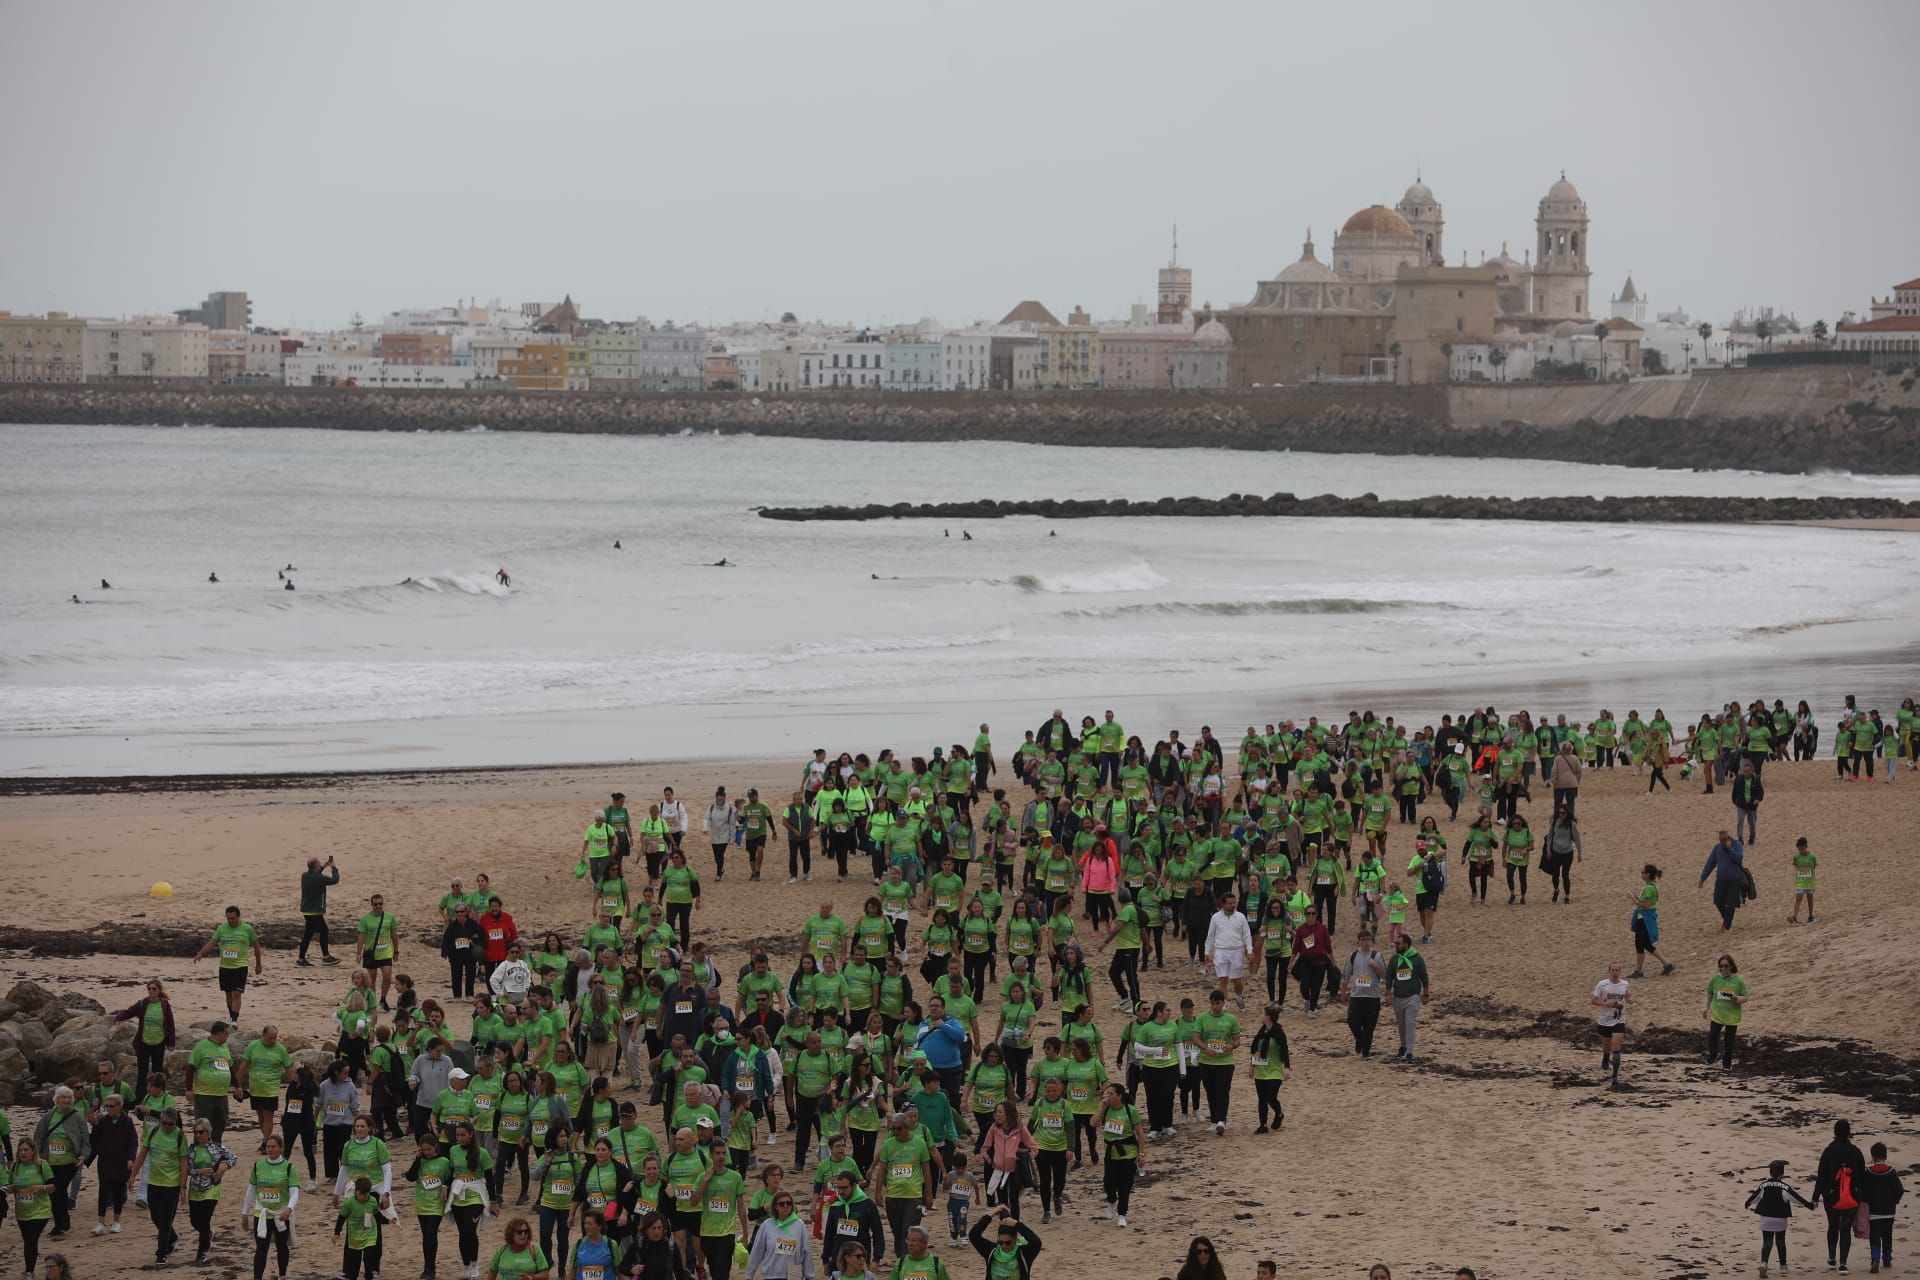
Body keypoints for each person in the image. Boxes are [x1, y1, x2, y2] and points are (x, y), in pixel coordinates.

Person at [241, 1133, 300, 1280]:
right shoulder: (258, 1166)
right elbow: (251, 1190)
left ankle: (282, 1276)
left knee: (282, 1247)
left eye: (273, 1146)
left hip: (281, 1214)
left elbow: (294, 1192)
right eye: (268, 1146)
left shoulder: (288, 1167)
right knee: (261, 1248)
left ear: (281, 1148)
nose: (270, 1149)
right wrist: (244, 1213)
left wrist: (289, 1208)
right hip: (261, 1214)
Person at [34, 1085, 90, 1239]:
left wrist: (84, 1155)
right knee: (56, 1193)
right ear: (57, 1099)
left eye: (68, 1097)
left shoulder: (76, 1116)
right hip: (50, 1161)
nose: (66, 1100)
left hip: (70, 1161)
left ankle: (58, 1226)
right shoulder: (49, 1116)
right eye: (63, 1097)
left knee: (57, 1190)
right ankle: (64, 1220)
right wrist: (37, 1157)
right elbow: (38, 1137)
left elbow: (85, 1137)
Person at [1745, 1158, 1815, 1278]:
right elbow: (1796, 1199)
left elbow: (1753, 1198)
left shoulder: (1764, 1185)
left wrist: (1747, 1204)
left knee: (1767, 1242)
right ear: (1782, 1173)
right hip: (1780, 1219)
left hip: (1766, 1219)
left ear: (1770, 1173)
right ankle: (1783, 1266)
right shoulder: (1784, 1187)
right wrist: (1809, 1205)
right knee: (1780, 1241)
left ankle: (1763, 1263)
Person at [1815, 1119, 1869, 1274]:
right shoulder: (1856, 1151)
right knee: (1845, 1229)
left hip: (1831, 1196)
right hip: (1852, 1196)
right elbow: (1862, 1177)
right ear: (1849, 1133)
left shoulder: (1828, 1151)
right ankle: (1843, 1264)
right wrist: (1864, 1197)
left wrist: (1815, 1197)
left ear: (1834, 1132)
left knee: (1833, 1226)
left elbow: (1821, 1176)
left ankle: (1832, 1259)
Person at [196, 905, 264, 1023]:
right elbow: (212, 942)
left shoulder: (247, 929)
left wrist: (258, 965)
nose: (231, 921)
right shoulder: (222, 928)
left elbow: (256, 947)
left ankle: (234, 1020)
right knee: (228, 995)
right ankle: (231, 1016)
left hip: (240, 966)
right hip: (225, 967)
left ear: (238, 917)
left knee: (236, 993)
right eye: (228, 918)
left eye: (233, 918)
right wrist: (201, 953)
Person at [1092, 1082, 1146, 1228]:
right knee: (1108, 1183)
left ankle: (1122, 1214)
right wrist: (1102, 1108)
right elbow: (1093, 1123)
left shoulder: (1130, 1110)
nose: (1107, 1096)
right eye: (1106, 1094)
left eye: (1111, 1094)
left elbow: (1140, 1133)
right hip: (1110, 1154)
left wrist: (1141, 1154)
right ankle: (1111, 1201)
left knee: (1124, 1186)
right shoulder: (1106, 1109)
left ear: (1119, 1096)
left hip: (1128, 1154)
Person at [85, 1090, 137, 1235]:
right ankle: (101, 1222)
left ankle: (116, 1221)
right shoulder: (102, 1121)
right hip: (105, 1161)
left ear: (120, 1106)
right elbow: (94, 1141)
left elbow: (132, 1142)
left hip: (121, 1162)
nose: (108, 1109)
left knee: (119, 1191)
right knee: (103, 1190)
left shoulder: (127, 1121)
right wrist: (94, 1125)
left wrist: (131, 1159)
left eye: (111, 1106)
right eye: (106, 1106)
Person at [10, 1138, 57, 1277]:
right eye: (20, 1150)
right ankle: (29, 1269)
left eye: (26, 1150)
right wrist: (10, 1188)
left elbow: (53, 1187)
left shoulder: (42, 1165)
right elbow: (9, 1185)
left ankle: (29, 1271)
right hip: (22, 1212)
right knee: (27, 1241)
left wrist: (41, 1187)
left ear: (33, 1151)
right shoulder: (15, 1167)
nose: (23, 1153)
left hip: (40, 1211)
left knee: (31, 1239)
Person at [1338, 931, 1387, 1059]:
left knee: (1369, 1026)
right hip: (1356, 995)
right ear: (1359, 941)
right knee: (1352, 1021)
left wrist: (1376, 966)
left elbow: (1385, 976)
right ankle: (1359, 1040)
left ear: (1371, 941)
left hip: (1373, 997)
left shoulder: (1377, 955)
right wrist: (1343, 992)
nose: (1366, 942)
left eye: (1368, 939)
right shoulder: (1353, 955)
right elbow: (1346, 975)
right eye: (1363, 940)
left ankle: (1366, 1052)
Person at [1203, 891, 1254, 1009]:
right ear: (1223, 904)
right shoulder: (1215, 917)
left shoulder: (1240, 917)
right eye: (1230, 903)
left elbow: (1247, 934)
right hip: (1221, 951)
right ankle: (1224, 1004)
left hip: (1236, 951)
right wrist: (1207, 951)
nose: (1233, 905)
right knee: (1223, 979)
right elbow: (1210, 935)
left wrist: (1249, 950)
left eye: (1234, 902)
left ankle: (1239, 996)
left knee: (1237, 980)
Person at [1862, 1140, 1905, 1274]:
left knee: (1874, 1236)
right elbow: (1899, 1190)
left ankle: (1875, 1259)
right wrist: (1895, 1201)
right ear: (1885, 1156)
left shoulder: (1868, 1172)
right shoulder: (1891, 1172)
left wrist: (1866, 1202)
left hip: (1874, 1212)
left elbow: (1863, 1191)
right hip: (1889, 1211)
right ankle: (1887, 1259)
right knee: (1887, 1236)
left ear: (1873, 1156)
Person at [1387, 935, 1430, 1063]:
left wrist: (1426, 994)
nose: (1396, 946)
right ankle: (1403, 1046)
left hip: (1413, 997)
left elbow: (1424, 976)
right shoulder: (1395, 959)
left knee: (1410, 1023)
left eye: (1398, 944)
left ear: (1406, 944)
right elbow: (1389, 976)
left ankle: (1410, 1052)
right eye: (1396, 944)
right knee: (1401, 1025)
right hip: (1398, 997)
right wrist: (1388, 993)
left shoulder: (1417, 959)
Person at [1247, 1005, 1289, 1133]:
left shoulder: (1278, 1032)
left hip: (1274, 1070)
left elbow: (1285, 1050)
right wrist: (1252, 1066)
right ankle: (1263, 1125)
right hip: (1261, 1070)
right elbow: (1256, 1051)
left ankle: (1279, 1113)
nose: (1260, 1016)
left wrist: (1287, 1067)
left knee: (1271, 1097)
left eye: (1262, 1014)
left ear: (1268, 1017)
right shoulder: (1262, 1031)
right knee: (1262, 1099)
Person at [968, 1207, 1042, 1280]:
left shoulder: (1024, 1254)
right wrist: (990, 1215)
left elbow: (1036, 1242)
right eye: (1000, 1242)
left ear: (1015, 1238)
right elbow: (973, 1235)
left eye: (1008, 1243)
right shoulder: (991, 1251)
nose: (1004, 1246)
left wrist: (1017, 1224)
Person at [1704, 954, 1747, 1069]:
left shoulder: (1738, 981)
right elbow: (1709, 993)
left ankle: (1727, 1063)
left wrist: (1736, 998)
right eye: (1720, 966)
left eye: (1726, 966)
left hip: (1732, 1016)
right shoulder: (1715, 979)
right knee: (1713, 1036)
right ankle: (1713, 1055)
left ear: (1732, 966)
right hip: (1717, 1014)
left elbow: (1745, 998)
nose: (1723, 969)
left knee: (1729, 1041)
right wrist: (1705, 1007)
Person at [358, 892, 401, 1010]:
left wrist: (396, 951)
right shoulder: (365, 919)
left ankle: (383, 999)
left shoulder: (389, 917)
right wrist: (358, 952)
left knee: (387, 976)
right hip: (371, 953)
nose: (378, 906)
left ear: (383, 904)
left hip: (386, 952)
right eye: (376, 904)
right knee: (372, 979)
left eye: (380, 904)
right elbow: (361, 936)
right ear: (371, 905)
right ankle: (372, 1002)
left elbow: (394, 935)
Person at [1629, 865, 1673, 978]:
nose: (1641, 874)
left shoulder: (1648, 888)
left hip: (1644, 919)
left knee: (1643, 944)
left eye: (1643, 872)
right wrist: (1635, 897)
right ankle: (1640, 970)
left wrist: (1634, 900)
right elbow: (1646, 903)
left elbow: (1646, 906)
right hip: (1644, 919)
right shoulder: (1651, 887)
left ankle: (1664, 964)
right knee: (1642, 944)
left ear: (1648, 874)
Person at [298, 855, 342, 967]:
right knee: (324, 931)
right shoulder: (318, 878)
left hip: (307, 910)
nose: (320, 865)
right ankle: (326, 957)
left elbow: (317, 871)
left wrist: (327, 864)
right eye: (319, 864)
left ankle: (301, 959)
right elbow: (335, 880)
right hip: (314, 912)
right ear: (315, 866)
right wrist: (334, 867)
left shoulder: (305, 875)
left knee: (308, 935)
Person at [1699, 831, 1747, 933]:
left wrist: (1730, 848)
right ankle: (1726, 921)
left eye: (1724, 841)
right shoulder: (1717, 848)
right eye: (1720, 841)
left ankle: (1727, 926)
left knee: (1731, 904)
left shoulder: (1737, 846)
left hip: (1734, 880)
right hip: (1720, 881)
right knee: (1718, 901)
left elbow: (1739, 859)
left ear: (1728, 839)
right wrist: (1703, 878)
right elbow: (1710, 863)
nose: (1722, 843)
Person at [1591, 962, 1630, 1088]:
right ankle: (1605, 1056)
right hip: (1604, 1021)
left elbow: (1627, 996)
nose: (1615, 972)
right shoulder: (1602, 984)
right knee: (1606, 1046)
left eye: (1617, 970)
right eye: (1612, 970)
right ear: (1609, 971)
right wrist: (1606, 1004)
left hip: (1619, 1020)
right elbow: (1593, 1001)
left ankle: (1615, 1076)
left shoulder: (1625, 984)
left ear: (1620, 972)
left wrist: (1628, 1000)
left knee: (1616, 1048)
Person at [484, 1217, 551, 1280]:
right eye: (519, 1232)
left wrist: (532, 1277)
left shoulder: (534, 1249)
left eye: (526, 1231)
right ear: (511, 1233)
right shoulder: (501, 1250)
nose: (523, 1234)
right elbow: (492, 1273)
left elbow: (545, 1275)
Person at [1732, 761, 1764, 845]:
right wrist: (1734, 800)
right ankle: (1740, 838)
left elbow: (1760, 791)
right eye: (1744, 771)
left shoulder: (1756, 779)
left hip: (1752, 806)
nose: (1746, 773)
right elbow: (1734, 791)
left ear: (1752, 771)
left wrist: (1758, 799)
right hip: (1741, 804)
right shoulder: (1739, 779)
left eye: (1748, 771)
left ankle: (1752, 838)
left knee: (1752, 823)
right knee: (1740, 821)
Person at [1788, 836, 1818, 925]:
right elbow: (1796, 866)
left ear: (1806, 846)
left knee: (1810, 899)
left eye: (1802, 849)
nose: (1801, 851)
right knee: (1798, 898)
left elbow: (1814, 866)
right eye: (1799, 849)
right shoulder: (1796, 857)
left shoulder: (1812, 856)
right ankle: (1794, 917)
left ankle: (1810, 916)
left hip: (1810, 882)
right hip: (1800, 881)